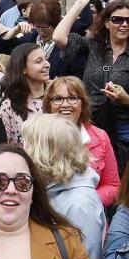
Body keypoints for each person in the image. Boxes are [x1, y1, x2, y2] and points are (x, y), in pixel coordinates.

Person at [51, 0, 129, 165]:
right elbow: (58, 37)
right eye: (117, 20)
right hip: (91, 124)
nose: (124, 24)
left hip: (124, 129)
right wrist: (80, 4)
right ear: (106, 22)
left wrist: (125, 99)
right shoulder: (93, 45)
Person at [23, 114, 105, 259]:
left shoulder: (80, 206)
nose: (23, 149)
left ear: (45, 152)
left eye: (27, 144)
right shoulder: (50, 189)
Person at [42, 76, 120, 206]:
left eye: (72, 98)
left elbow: (112, 185)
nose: (65, 104)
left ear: (82, 104)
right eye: (58, 99)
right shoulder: (37, 138)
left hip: (90, 212)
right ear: (48, 105)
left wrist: (88, 201)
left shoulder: (100, 137)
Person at [0, 43, 50, 146]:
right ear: (23, 68)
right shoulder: (9, 106)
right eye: (39, 61)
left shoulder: (57, 96)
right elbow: (4, 146)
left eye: (46, 59)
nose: (47, 64)